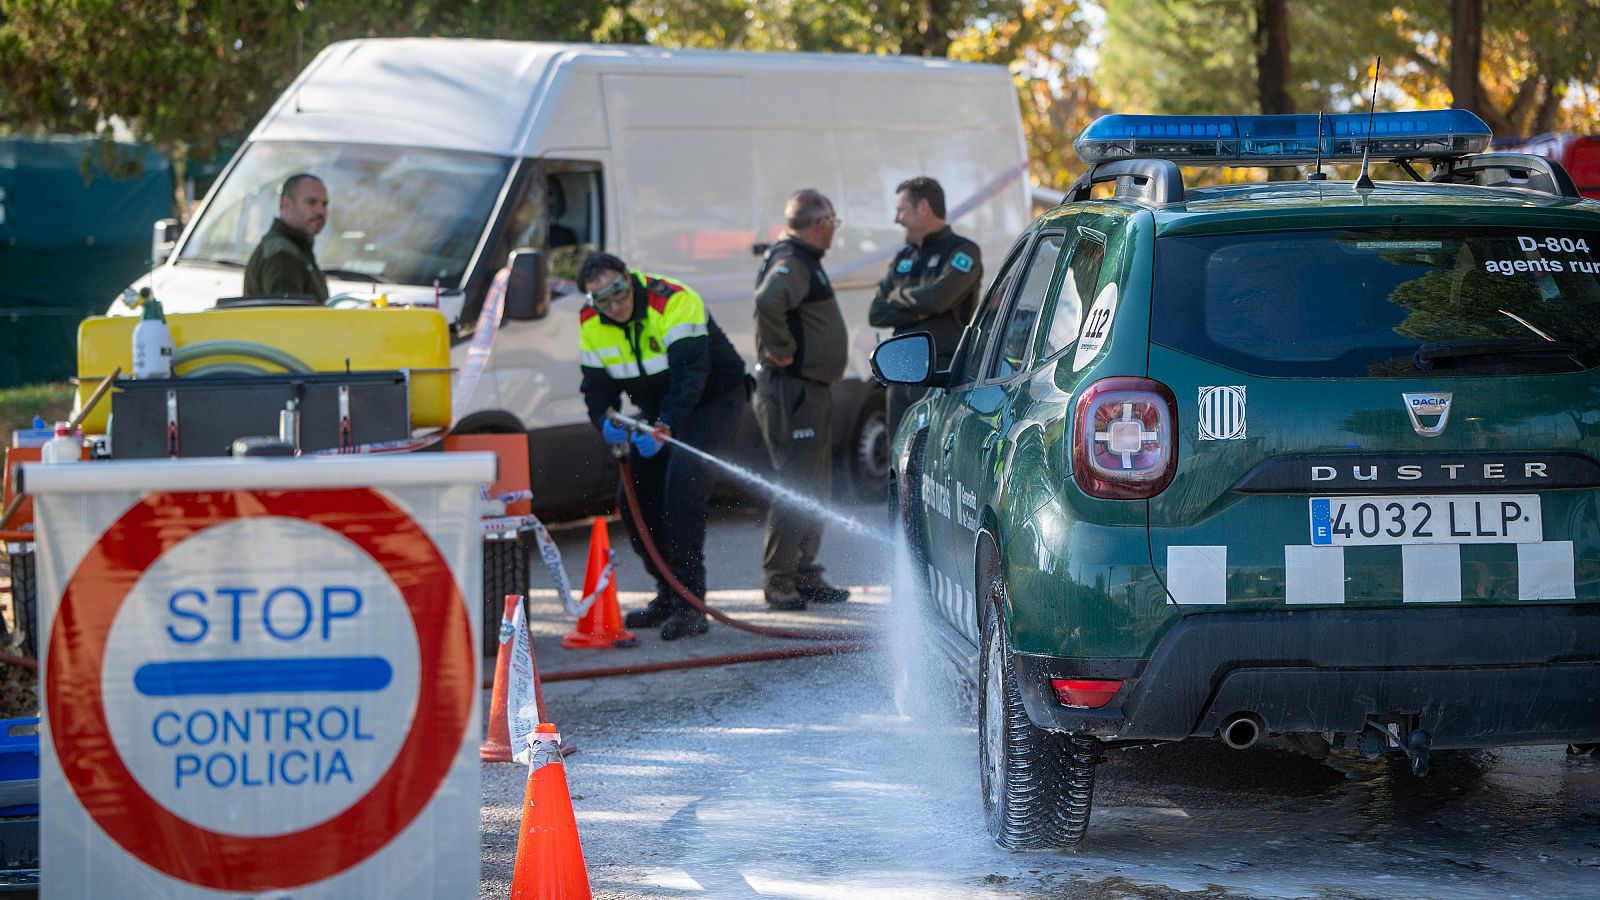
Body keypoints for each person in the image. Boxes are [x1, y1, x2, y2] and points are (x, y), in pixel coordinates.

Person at [577, 252, 748, 640]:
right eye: (602, 300)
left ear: (628, 278)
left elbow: (691, 376)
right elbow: (596, 386)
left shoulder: (672, 299)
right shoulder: (590, 322)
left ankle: (691, 605)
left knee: (681, 490)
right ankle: (668, 593)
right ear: (591, 303)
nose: (615, 305)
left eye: (619, 292)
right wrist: (603, 419)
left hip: (712, 399)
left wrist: (665, 426)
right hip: (658, 409)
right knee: (634, 497)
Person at [752, 190, 851, 611]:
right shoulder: (792, 260)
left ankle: (804, 571)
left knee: (814, 486)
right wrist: (780, 347)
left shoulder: (804, 259)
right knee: (795, 486)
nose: (834, 229)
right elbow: (768, 300)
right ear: (818, 224)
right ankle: (779, 579)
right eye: (833, 222)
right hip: (791, 392)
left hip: (810, 391)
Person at [868, 176, 983, 433]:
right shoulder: (904, 257)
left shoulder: (963, 252)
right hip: (898, 371)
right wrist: (920, 308)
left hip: (940, 372)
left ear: (923, 208)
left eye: (901, 210)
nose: (896, 219)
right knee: (897, 457)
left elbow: (937, 299)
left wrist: (898, 296)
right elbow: (876, 312)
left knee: (927, 455)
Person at [244, 173, 330, 302]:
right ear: (286, 204)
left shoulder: (298, 247)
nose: (320, 211)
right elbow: (287, 319)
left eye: (324, 204)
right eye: (312, 202)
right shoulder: (282, 255)